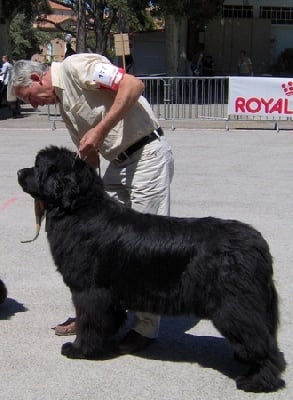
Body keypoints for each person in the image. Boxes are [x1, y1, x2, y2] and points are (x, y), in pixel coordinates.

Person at [9, 54, 174, 354]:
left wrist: (100, 130)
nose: (32, 105)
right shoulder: (61, 101)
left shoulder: (76, 67)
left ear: (35, 80)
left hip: (146, 154)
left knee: (146, 248)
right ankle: (99, 315)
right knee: (101, 245)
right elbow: (88, 157)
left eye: (28, 98)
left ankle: (146, 328)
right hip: (119, 163)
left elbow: (134, 86)